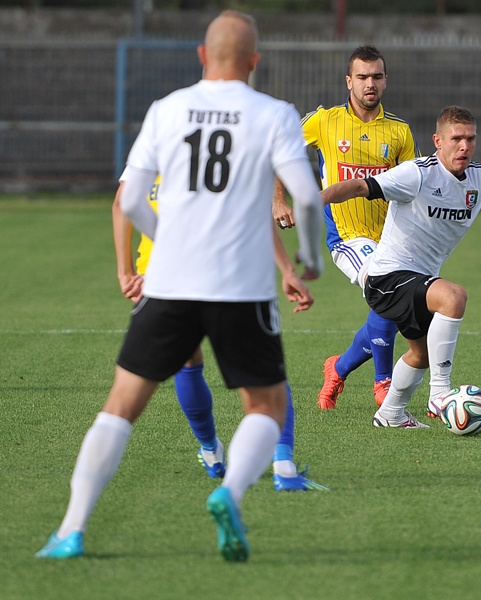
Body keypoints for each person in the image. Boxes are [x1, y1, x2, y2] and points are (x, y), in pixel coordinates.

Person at [37, 10, 324, 562]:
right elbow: (307, 199)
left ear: (201, 55)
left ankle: (71, 529)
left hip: (169, 282)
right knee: (264, 405)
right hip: (240, 286)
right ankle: (230, 493)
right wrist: (306, 258)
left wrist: (165, 238)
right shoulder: (275, 114)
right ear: (254, 62)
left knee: (119, 406)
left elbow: (128, 198)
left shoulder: (166, 110)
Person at [320, 105, 481, 428]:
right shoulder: (418, 174)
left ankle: (391, 414)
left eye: (470, 139)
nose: (464, 146)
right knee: (453, 296)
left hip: (417, 280)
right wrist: (314, 201)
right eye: (456, 139)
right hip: (385, 276)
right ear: (437, 140)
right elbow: (361, 187)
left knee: (419, 355)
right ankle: (440, 394)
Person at [112, 181, 327, 492]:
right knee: (266, 376)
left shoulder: (157, 145)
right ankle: (283, 466)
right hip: (229, 273)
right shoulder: (231, 145)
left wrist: (125, 273)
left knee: (184, 364)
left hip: (159, 277)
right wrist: (288, 270)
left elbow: (123, 202)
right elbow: (255, 209)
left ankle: (211, 452)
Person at [272, 45, 419, 411]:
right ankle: (383, 385)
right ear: (348, 81)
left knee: (393, 306)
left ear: (385, 80)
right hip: (347, 238)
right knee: (388, 288)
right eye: (363, 77)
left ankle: (337, 368)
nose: (370, 84)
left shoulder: (400, 132)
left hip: (394, 239)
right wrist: (278, 200)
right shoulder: (324, 121)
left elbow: (412, 187)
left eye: (377, 77)